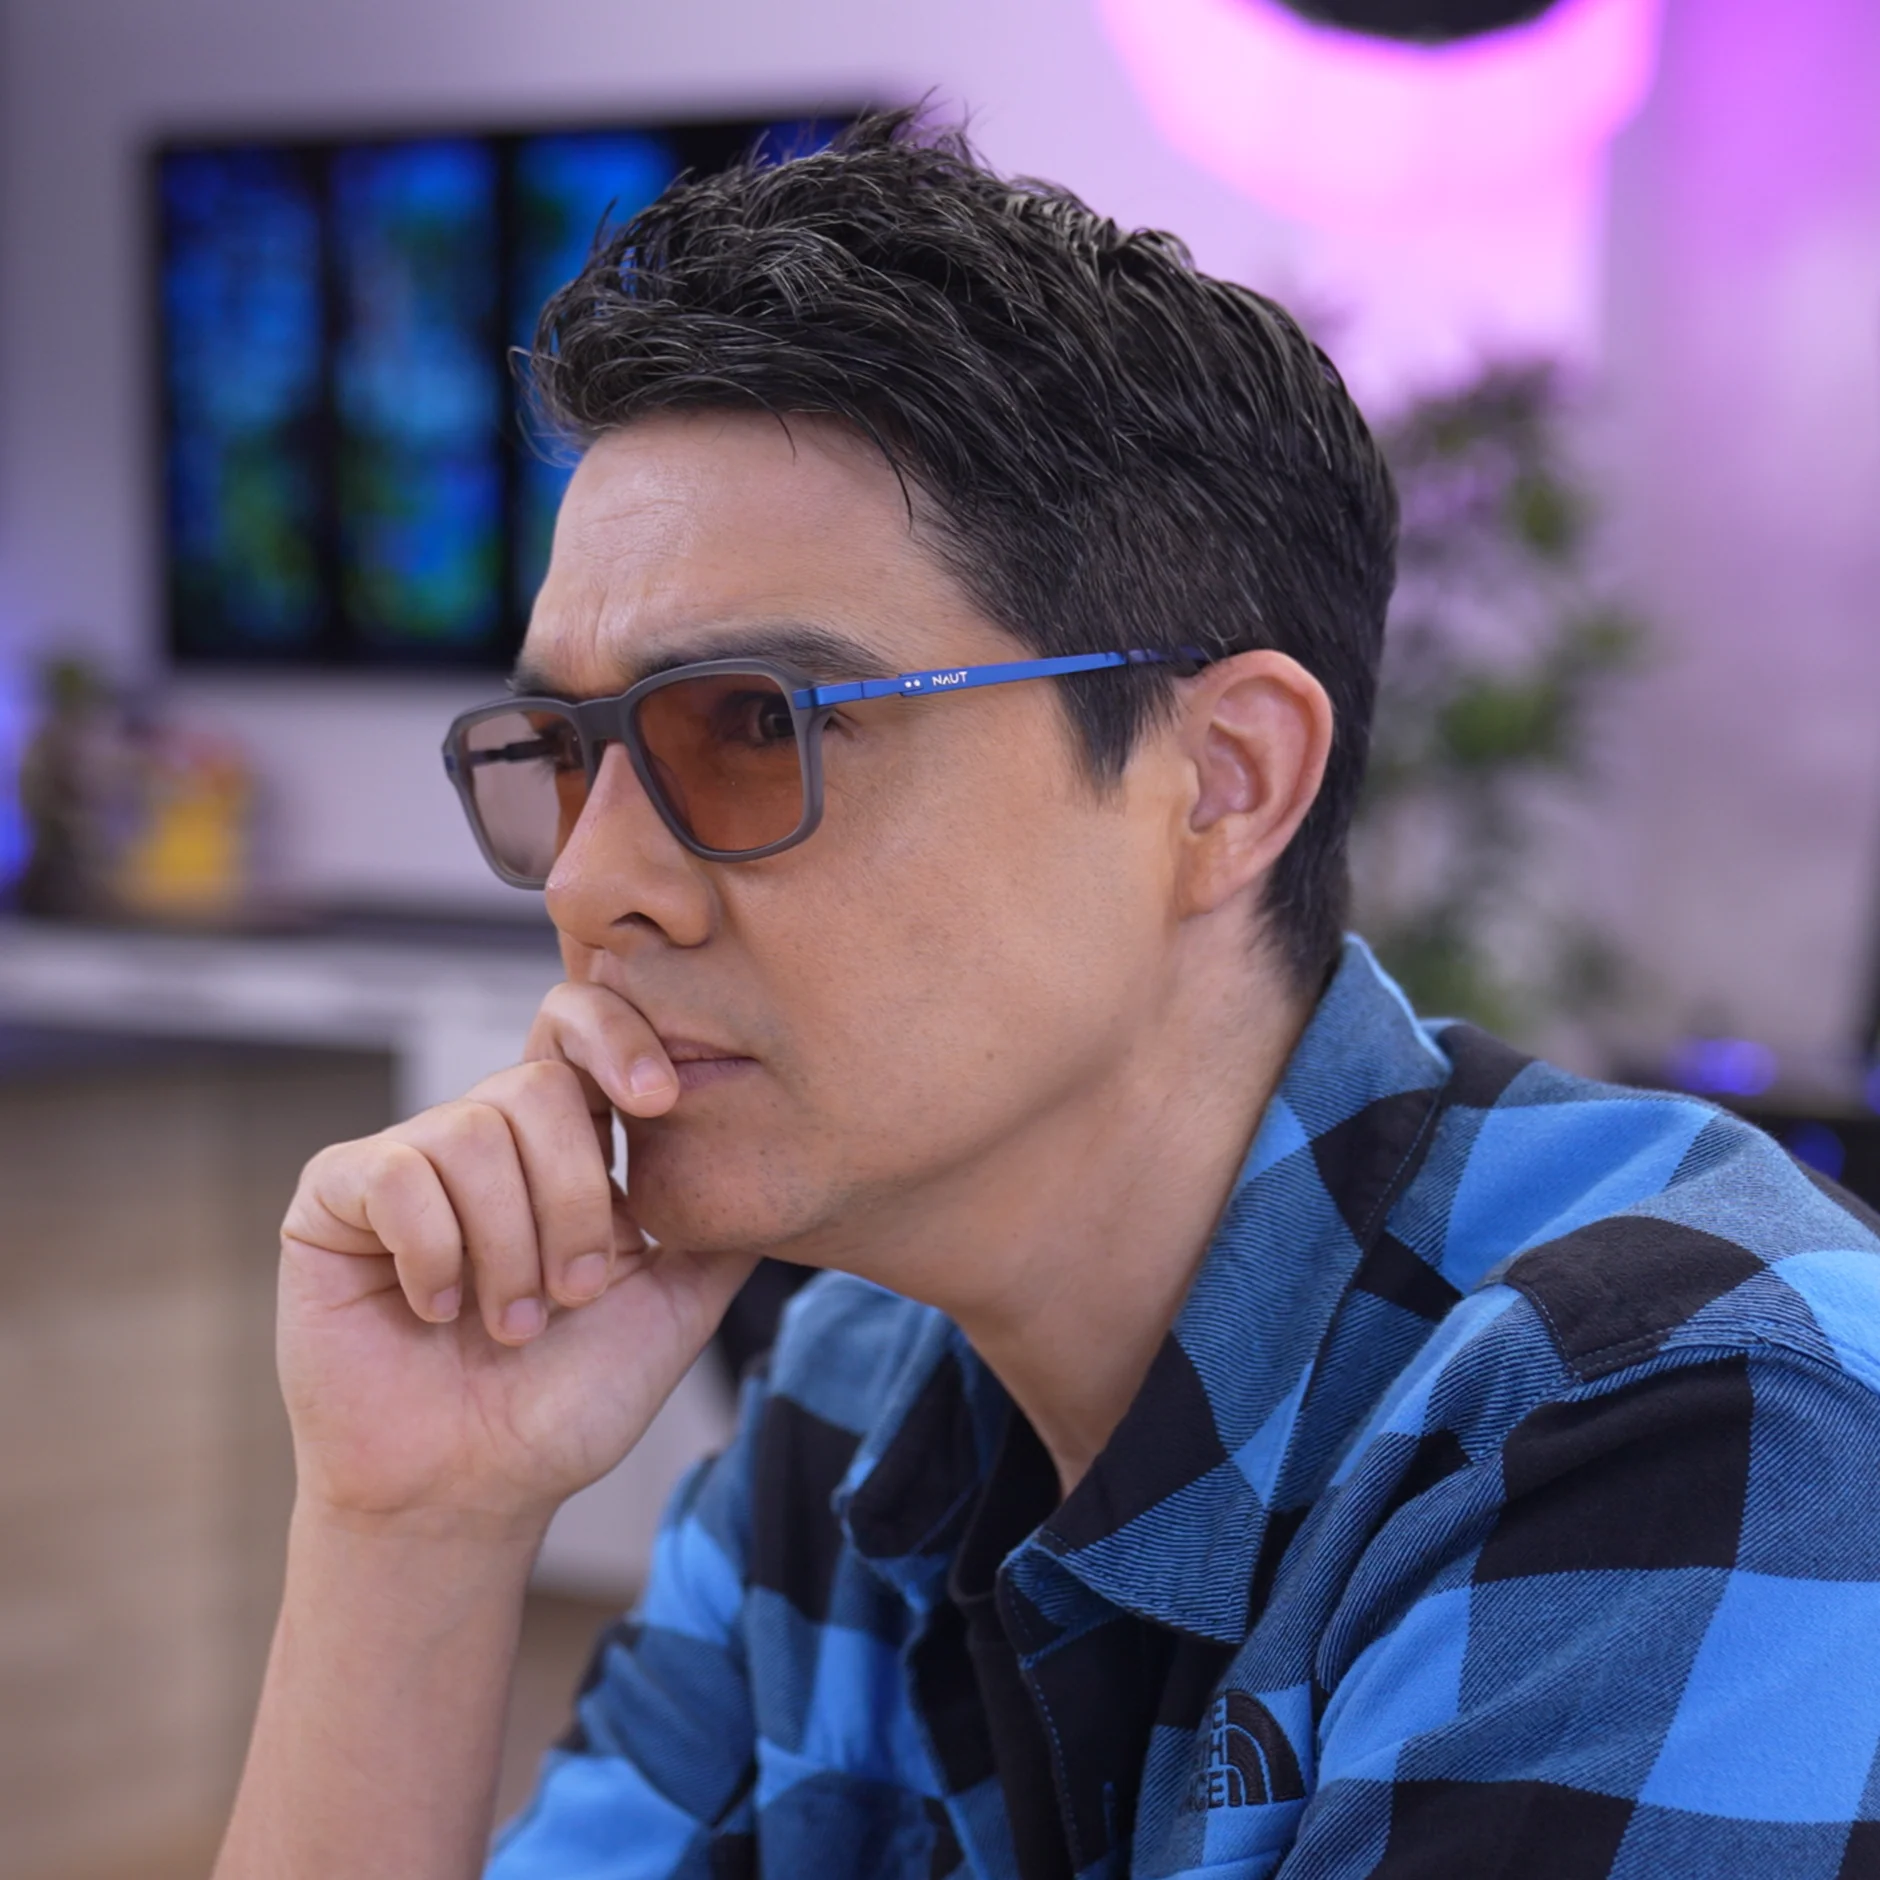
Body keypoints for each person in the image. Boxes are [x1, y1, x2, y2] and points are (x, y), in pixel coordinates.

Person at [213, 114, 1880, 1880]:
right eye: (561, 752)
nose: (586, 881)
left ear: (1223, 782)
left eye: (757, 723)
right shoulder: (846, 1403)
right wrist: (414, 1526)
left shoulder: (1685, 1405)